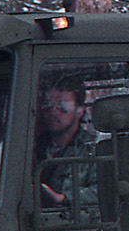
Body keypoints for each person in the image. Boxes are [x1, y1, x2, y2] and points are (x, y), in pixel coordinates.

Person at [35, 78, 97, 210]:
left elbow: (102, 191)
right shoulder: (33, 147)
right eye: (47, 106)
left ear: (80, 110)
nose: (53, 113)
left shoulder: (92, 149)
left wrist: (63, 199)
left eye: (62, 107)